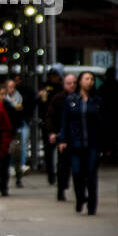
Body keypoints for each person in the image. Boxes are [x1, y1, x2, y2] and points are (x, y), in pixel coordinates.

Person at [58, 70, 103, 214]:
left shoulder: (97, 101)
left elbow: (103, 122)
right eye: (86, 78)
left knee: (91, 173)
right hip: (75, 143)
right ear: (80, 82)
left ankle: (92, 204)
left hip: (92, 143)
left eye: (92, 79)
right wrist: (63, 140)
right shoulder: (71, 100)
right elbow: (65, 121)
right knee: (77, 173)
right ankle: (80, 197)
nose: (90, 81)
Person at [47, 71, 76, 200]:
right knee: (63, 164)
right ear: (64, 84)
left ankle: (75, 189)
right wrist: (52, 132)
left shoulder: (80, 97)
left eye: (74, 83)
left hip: (77, 136)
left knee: (75, 166)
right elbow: (50, 116)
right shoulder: (58, 99)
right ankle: (61, 188)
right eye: (69, 83)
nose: (72, 85)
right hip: (62, 135)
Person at [37, 68, 63, 183]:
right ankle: (51, 174)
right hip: (48, 122)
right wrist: (41, 99)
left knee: (61, 150)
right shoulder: (45, 87)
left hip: (59, 122)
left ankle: (59, 173)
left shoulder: (61, 89)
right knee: (49, 150)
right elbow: (39, 104)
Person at [99, 66, 118, 163]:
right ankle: (110, 155)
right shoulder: (105, 88)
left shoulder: (106, 88)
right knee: (110, 137)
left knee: (112, 137)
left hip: (114, 117)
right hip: (111, 117)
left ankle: (111, 155)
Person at [0, 77, 25, 187]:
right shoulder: (3, 103)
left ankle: (18, 177)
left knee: (16, 155)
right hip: (5, 133)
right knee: (4, 159)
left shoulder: (18, 99)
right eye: (9, 87)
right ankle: (3, 183)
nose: (11, 90)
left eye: (13, 87)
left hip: (14, 132)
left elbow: (19, 116)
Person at [0, 94, 13, 196]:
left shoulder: (4, 106)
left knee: (2, 167)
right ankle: (2, 187)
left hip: (2, 142)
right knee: (2, 167)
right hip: (1, 142)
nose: (4, 96)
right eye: (2, 94)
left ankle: (2, 187)